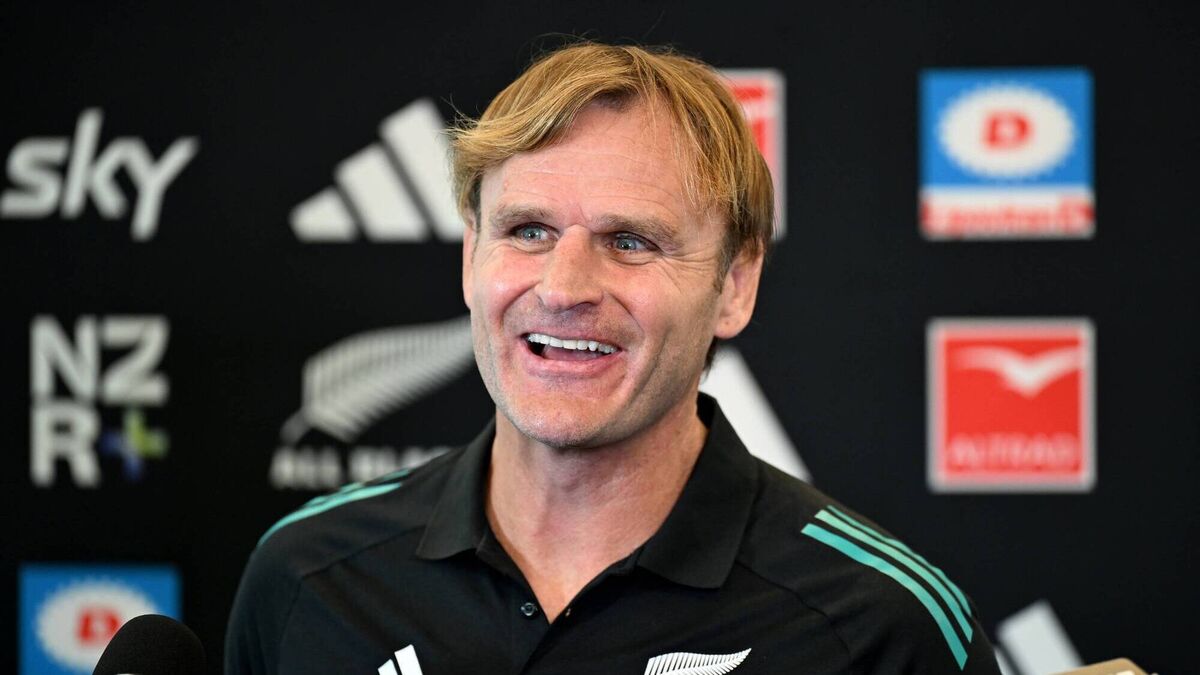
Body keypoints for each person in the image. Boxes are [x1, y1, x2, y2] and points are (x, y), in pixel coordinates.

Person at [226, 42, 1001, 674]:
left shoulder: (876, 626)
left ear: (735, 285)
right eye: (528, 231)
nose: (563, 287)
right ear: (470, 256)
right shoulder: (308, 574)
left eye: (630, 241)